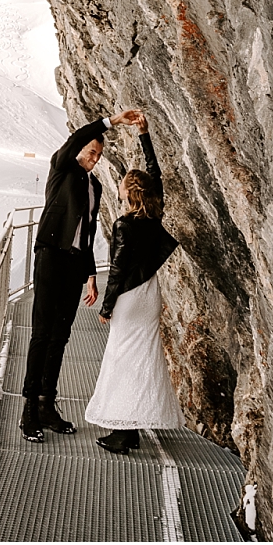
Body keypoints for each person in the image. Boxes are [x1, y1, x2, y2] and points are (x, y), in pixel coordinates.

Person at [20, 108, 145, 443]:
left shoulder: (96, 187)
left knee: (61, 335)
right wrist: (112, 122)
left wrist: (91, 276)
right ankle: (28, 409)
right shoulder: (62, 169)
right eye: (91, 152)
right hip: (50, 256)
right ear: (78, 151)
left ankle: (48, 405)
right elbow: (76, 138)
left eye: (98, 154)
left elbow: (88, 234)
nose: (94, 158)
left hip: (75, 265)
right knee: (42, 334)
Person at [85, 110, 185, 453]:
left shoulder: (125, 226)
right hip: (150, 294)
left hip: (128, 298)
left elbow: (117, 270)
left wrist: (106, 306)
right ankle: (132, 425)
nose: (119, 186)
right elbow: (154, 175)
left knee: (122, 359)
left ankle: (124, 431)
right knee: (142, 358)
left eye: (122, 183)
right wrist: (144, 136)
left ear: (129, 192)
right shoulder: (153, 213)